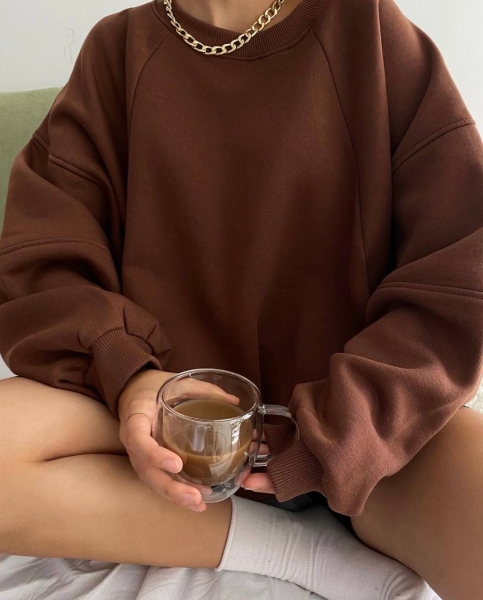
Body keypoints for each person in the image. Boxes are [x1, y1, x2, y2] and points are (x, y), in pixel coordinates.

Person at [0, 0, 482, 598]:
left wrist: (336, 433)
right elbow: (44, 255)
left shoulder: (370, 30)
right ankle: (303, 554)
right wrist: (132, 379)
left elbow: (460, 271)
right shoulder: (117, 50)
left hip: (360, 448)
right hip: (163, 433)